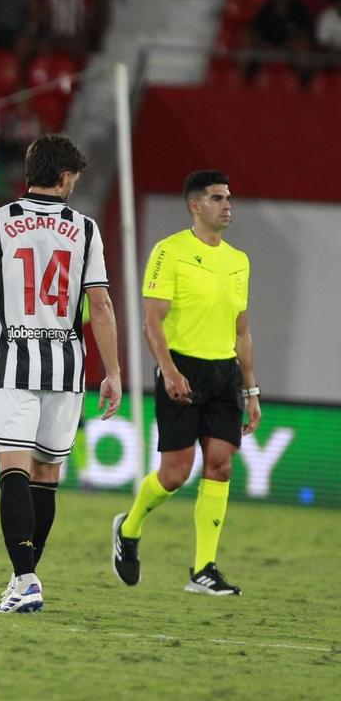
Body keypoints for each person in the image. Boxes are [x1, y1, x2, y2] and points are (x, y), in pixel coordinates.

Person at [0, 134, 122, 613]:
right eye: (75, 177)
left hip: (12, 362)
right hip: (67, 368)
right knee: (46, 474)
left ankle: (25, 578)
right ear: (64, 178)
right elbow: (99, 303)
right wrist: (114, 371)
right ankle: (24, 580)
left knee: (12, 468)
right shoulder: (87, 230)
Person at [113, 170, 258, 595]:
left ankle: (203, 569)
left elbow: (242, 330)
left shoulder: (238, 260)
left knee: (221, 466)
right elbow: (151, 321)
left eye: (228, 198)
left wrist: (251, 390)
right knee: (175, 475)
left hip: (224, 373)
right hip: (183, 368)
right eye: (217, 198)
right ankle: (130, 526)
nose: (227, 205)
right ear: (196, 206)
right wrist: (170, 370)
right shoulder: (169, 252)